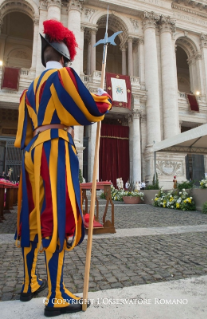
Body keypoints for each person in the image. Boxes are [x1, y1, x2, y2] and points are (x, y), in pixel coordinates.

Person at [14, 20, 112, 317]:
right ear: (65, 57)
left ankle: (30, 282)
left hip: (32, 152)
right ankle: (56, 296)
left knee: (31, 217)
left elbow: (20, 136)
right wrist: (105, 98)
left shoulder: (28, 91)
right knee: (56, 217)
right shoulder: (63, 76)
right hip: (55, 146)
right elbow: (89, 109)